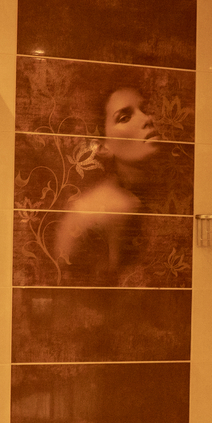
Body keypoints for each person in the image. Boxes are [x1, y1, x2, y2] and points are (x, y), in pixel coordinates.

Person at [50, 86, 160, 279]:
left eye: (145, 109)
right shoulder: (111, 207)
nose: (146, 119)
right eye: (124, 117)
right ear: (102, 146)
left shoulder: (159, 192)